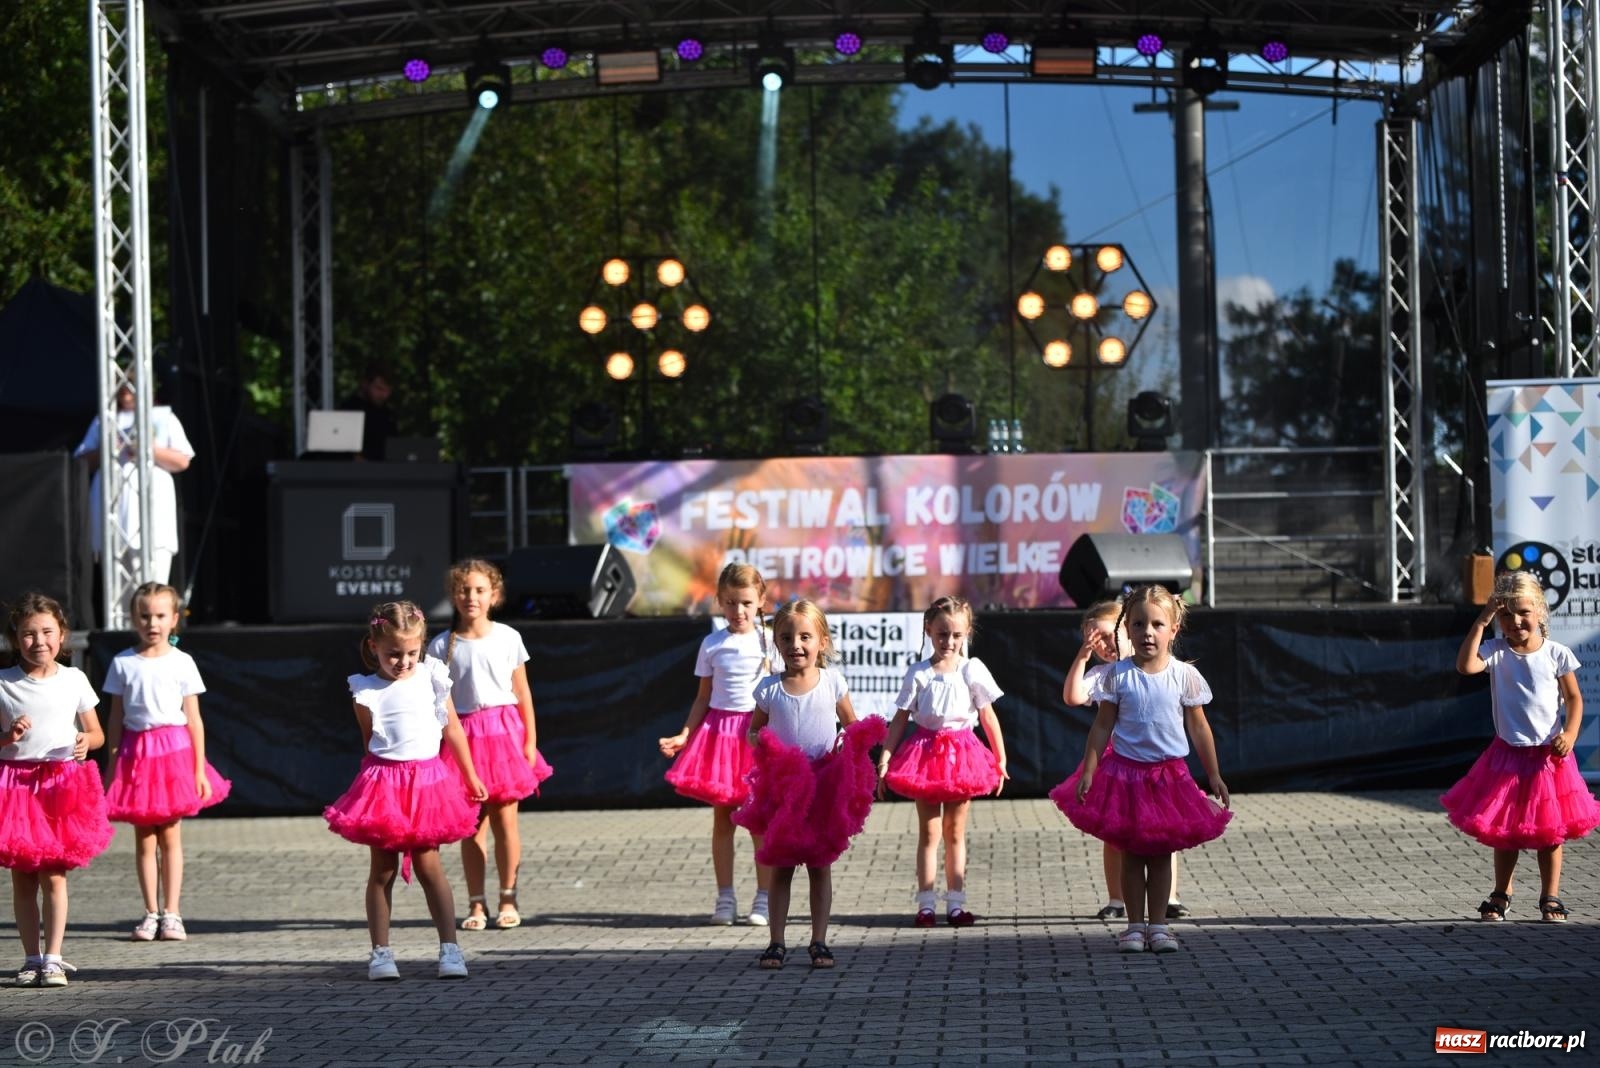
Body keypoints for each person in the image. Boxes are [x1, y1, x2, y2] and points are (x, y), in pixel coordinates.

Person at [1051, 585, 1230, 954]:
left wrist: (1213, 774)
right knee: (1131, 853)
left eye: (1157, 624)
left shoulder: (1184, 676)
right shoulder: (1116, 676)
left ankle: (1160, 925)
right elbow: (1101, 727)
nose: (1148, 632)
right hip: (1126, 777)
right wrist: (1089, 771)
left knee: (1161, 853)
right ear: (1127, 630)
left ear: (1173, 630)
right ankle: (1134, 926)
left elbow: (1199, 727)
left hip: (1168, 779)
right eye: (1138, 624)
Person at [324, 600, 488, 981]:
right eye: (393, 654)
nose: (403, 661)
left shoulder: (434, 677)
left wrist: (469, 774)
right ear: (373, 647)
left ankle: (450, 949)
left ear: (422, 647)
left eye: (412, 652)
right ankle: (381, 953)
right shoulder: (365, 691)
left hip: (429, 783)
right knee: (383, 870)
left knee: (430, 866)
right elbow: (370, 743)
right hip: (384, 784)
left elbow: (452, 730)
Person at [732, 599, 885, 969]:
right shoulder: (769, 688)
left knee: (819, 866)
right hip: (784, 791)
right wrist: (759, 742)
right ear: (777, 644)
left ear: (822, 641)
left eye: (805, 637)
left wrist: (859, 756)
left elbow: (852, 726)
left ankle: (819, 940)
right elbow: (753, 729)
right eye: (786, 637)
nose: (795, 645)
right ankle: (777, 941)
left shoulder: (832, 681)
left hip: (823, 788)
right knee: (781, 865)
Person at [1443, 571, 1599, 923]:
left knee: (1549, 831)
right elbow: (1465, 665)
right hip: (1507, 756)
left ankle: (1550, 895)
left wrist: (1571, 734)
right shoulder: (1496, 651)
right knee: (1505, 830)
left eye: (1523, 613)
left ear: (1540, 611)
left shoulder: (1556, 654)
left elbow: (1574, 699)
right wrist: (1482, 620)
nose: (1515, 622)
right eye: (1506, 615)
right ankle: (1502, 891)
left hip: (1548, 758)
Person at [101, 582, 232, 942]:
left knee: (170, 835)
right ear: (133, 619)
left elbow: (194, 719)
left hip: (173, 754)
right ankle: (150, 912)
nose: (152, 623)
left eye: (160, 615)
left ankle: (172, 912)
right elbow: (115, 718)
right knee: (144, 839)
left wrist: (197, 769)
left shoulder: (182, 662)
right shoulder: (123, 663)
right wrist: (112, 767)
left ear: (174, 619)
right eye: (145, 615)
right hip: (136, 754)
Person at [428, 559, 553, 932]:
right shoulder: (440, 645)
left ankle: (508, 897)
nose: (471, 597)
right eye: (464, 590)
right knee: (472, 826)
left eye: (480, 590)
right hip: (462, 739)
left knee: (506, 821)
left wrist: (530, 740)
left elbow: (522, 692)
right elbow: (435, 703)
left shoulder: (508, 637)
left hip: (503, 735)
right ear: (453, 595)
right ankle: (477, 902)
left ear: (494, 595)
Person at [0, 593, 114, 987]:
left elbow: (96, 732)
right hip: (16, 787)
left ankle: (53, 957)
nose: (39, 641)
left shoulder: (74, 679)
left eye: (47, 632)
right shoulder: (3, 683)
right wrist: (7, 736)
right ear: (15, 638)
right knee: (23, 878)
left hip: (61, 784)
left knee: (55, 875)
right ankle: (30, 958)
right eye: (28, 634)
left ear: (62, 634)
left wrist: (86, 741)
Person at [878, 596, 1008, 927]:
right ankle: (925, 904)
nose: (948, 642)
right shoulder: (919, 673)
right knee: (929, 832)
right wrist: (886, 757)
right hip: (924, 755)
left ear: (966, 634)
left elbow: (988, 717)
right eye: (941, 634)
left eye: (956, 635)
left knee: (954, 832)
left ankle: (955, 903)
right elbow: (900, 718)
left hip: (962, 756)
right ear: (928, 631)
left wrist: (1000, 758)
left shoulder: (971, 669)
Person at [658, 563, 774, 926]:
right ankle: (725, 898)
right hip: (721, 737)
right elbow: (702, 699)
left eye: (746, 603)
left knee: (759, 822)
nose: (738, 611)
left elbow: (781, 693)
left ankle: (765, 899)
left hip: (757, 736)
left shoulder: (771, 642)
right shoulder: (712, 644)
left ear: (760, 602)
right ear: (719, 602)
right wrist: (684, 735)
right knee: (723, 820)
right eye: (729, 603)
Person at [1063, 600, 1189, 922]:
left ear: (1127, 630)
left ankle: (1169, 896)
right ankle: (1117, 899)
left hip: (1157, 764)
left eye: (1107, 635)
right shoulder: (1105, 674)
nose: (1103, 645)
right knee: (1116, 834)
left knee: (1163, 831)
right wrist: (1082, 655)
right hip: (1117, 765)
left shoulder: (1161, 667)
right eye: (1094, 640)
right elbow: (1073, 697)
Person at [73, 375, 195, 588]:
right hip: (113, 512)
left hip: (152, 513)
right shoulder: (104, 419)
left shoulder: (163, 417)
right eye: (122, 388)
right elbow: (81, 461)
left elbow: (182, 460)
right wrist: (107, 448)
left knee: (151, 585)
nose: (126, 393)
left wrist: (148, 449)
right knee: (117, 589)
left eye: (131, 387)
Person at [340, 363, 397, 462]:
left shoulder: (387, 413)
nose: (384, 395)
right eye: (379, 388)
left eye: (388, 391)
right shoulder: (349, 409)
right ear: (365, 384)